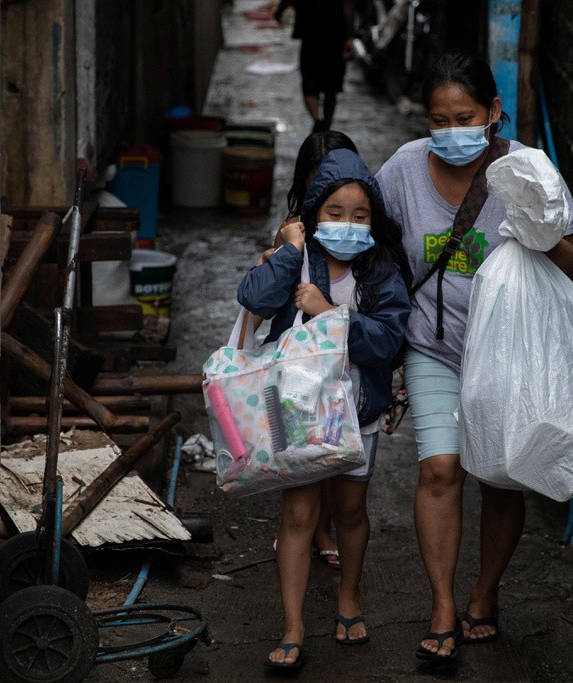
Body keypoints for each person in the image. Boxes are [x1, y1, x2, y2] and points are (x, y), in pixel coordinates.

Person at [375, 49, 573, 661]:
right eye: (438, 120)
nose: (450, 133)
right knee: (440, 470)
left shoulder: (528, 170)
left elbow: (572, 257)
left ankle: (484, 593)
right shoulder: (405, 170)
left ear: (493, 112)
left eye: (464, 118)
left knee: (498, 478)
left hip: (507, 350)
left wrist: (540, 232)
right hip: (432, 345)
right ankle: (441, 604)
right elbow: (364, 229)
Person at [238, 148, 412, 669]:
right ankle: (293, 626)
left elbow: (389, 342)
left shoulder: (380, 269)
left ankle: (348, 598)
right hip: (296, 410)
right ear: (314, 213)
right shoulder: (300, 257)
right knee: (297, 512)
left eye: (360, 216)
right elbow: (255, 298)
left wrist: (329, 314)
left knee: (350, 511)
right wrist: (288, 252)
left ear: (373, 221)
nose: (348, 225)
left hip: (358, 414)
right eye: (335, 213)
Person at [267, 130, 360, 570]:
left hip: (348, 369)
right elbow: (260, 296)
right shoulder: (294, 235)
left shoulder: (365, 240)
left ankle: (320, 527)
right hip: (301, 370)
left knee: (337, 450)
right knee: (305, 450)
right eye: (318, 179)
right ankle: (305, 528)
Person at [274, 0, 356, 133]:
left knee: (310, 85)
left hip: (310, 34)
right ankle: (326, 125)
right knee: (331, 87)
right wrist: (350, 36)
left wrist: (279, 12)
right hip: (334, 36)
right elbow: (348, 4)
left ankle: (317, 120)